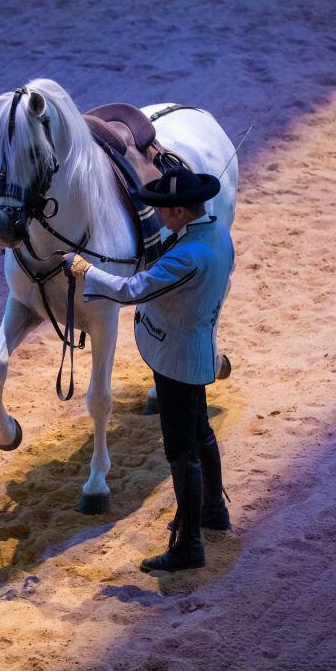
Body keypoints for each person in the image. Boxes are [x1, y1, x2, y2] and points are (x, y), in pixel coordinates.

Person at [65, 166, 235, 572]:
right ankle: (214, 510)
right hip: (195, 348)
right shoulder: (216, 236)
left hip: (176, 358)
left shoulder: (187, 256)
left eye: (162, 209)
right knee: (201, 433)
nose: (157, 215)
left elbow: (131, 290)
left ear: (178, 211)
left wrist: (85, 269)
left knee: (181, 452)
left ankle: (189, 545)